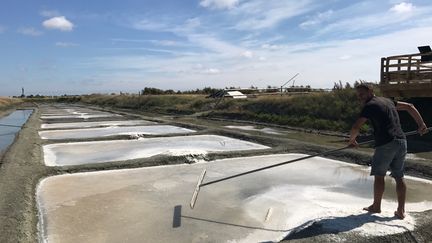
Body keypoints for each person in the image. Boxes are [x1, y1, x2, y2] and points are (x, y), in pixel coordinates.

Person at [348, 83, 428, 219]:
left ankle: (376, 206)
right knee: (399, 176)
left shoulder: (370, 105)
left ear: (370, 91)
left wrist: (351, 141)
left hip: (386, 143)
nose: (360, 98)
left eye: (362, 94)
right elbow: (410, 107)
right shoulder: (387, 101)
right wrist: (421, 124)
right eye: (358, 95)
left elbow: (356, 127)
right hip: (402, 141)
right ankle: (401, 211)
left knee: (379, 175)